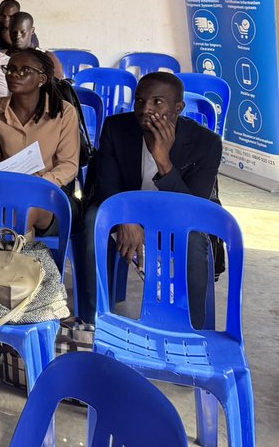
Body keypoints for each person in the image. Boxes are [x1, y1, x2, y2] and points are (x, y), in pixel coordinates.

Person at [78, 72, 222, 326]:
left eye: (157, 102)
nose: (145, 109)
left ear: (178, 108)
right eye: (140, 100)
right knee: (93, 219)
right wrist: (126, 219)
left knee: (195, 237)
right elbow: (107, 185)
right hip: (126, 207)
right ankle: (94, 319)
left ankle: (193, 327)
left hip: (177, 217)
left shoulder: (205, 143)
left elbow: (193, 210)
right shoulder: (117, 128)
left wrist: (163, 160)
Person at [0, 48, 80, 230]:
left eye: (25, 70)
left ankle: (12, 255)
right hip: (6, 190)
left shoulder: (64, 112)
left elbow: (68, 165)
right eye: (10, 69)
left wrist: (36, 185)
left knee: (25, 209)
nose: (14, 74)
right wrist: (11, 185)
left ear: (42, 79)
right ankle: (15, 254)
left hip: (51, 192)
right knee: (11, 207)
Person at [6, 11, 66, 79]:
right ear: (9, 31)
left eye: (23, 32)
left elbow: (59, 85)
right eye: (14, 32)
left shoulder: (46, 57)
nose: (17, 36)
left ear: (32, 31)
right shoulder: (1, 56)